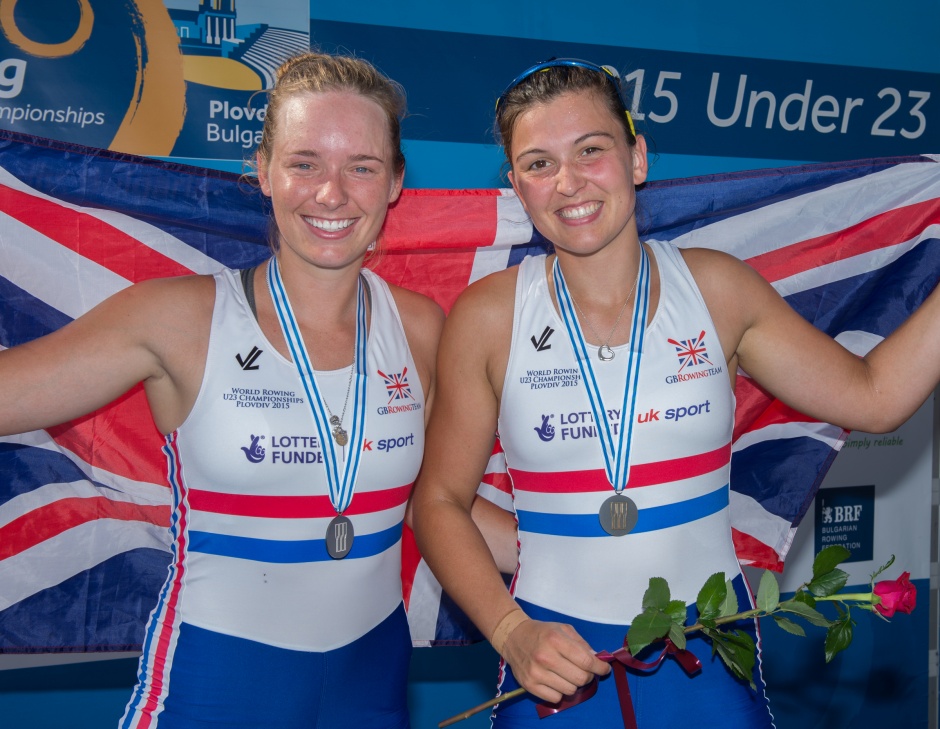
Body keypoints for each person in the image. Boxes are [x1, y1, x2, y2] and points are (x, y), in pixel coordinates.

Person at [412, 58, 940, 728]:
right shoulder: (488, 315)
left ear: (637, 157)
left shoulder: (716, 288)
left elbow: (876, 395)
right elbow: (438, 501)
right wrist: (513, 632)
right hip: (554, 656)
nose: (568, 182)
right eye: (539, 163)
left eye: (591, 151)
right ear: (516, 185)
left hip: (706, 655)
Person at [0, 52, 443, 728]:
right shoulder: (176, 318)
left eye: (361, 166)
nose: (332, 193)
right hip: (218, 679)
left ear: (395, 183)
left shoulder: (420, 328)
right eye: (304, 163)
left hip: (372, 681)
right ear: (264, 171)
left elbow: (438, 507)